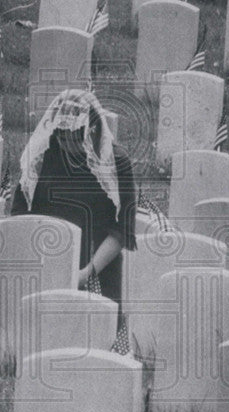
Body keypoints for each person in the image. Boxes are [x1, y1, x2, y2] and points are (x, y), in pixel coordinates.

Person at [10, 89, 136, 307]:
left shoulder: (117, 163)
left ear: (92, 130)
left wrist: (85, 273)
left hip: (97, 270)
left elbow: (122, 230)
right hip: (43, 264)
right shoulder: (41, 158)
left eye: (75, 138)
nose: (67, 146)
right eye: (62, 137)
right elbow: (20, 214)